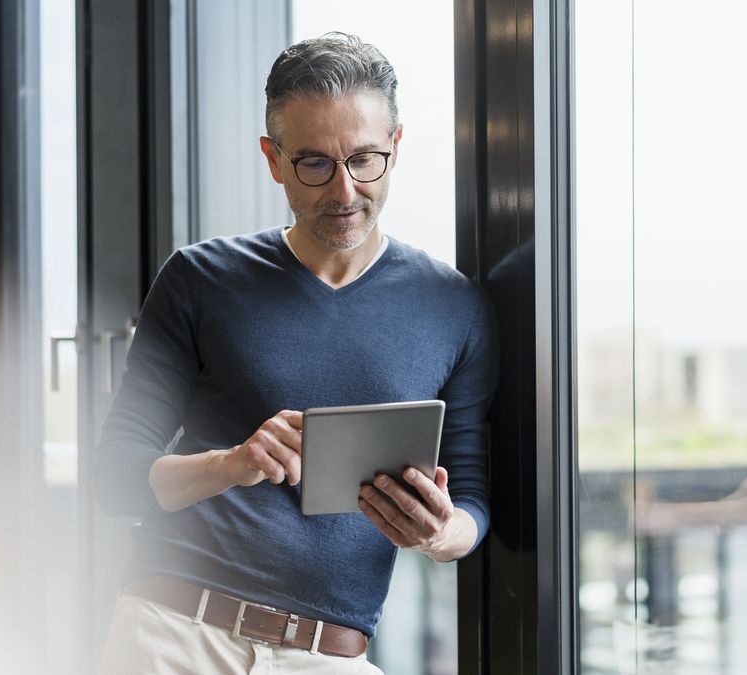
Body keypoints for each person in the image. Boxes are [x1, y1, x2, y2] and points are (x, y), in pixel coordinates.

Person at [92, 33, 497, 674]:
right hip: (172, 636)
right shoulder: (200, 278)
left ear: (396, 147)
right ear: (273, 159)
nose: (343, 191)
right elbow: (115, 476)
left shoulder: (455, 307)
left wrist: (440, 533)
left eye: (365, 159)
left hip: (331, 656)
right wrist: (232, 463)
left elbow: (471, 500)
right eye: (314, 163)